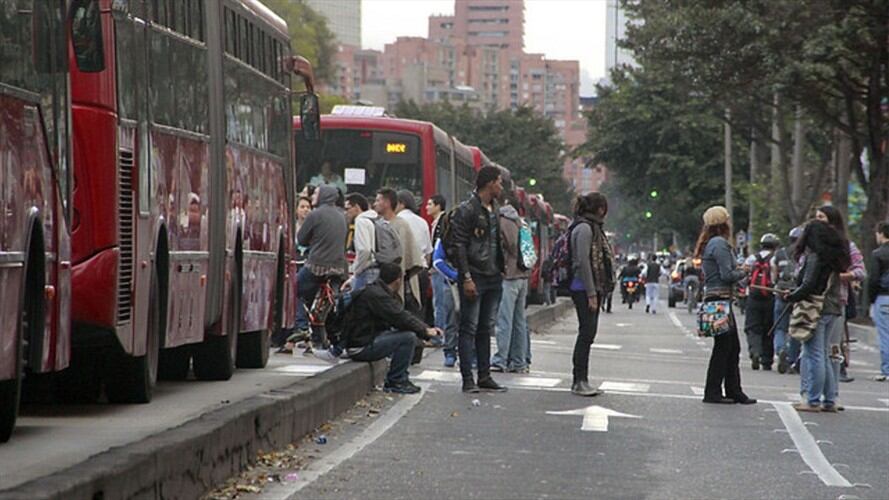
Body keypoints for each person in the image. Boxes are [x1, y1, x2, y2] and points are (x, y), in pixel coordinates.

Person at [446, 166, 507, 393]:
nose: (501, 187)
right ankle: (467, 379)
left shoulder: (495, 209)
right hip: (475, 275)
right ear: (489, 183)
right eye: (499, 182)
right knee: (468, 328)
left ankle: (484, 375)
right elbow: (459, 245)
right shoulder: (467, 209)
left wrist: (501, 269)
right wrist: (467, 277)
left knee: (485, 328)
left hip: (493, 276)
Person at [340, 263, 442, 394]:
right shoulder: (378, 295)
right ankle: (396, 380)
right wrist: (425, 331)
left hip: (364, 340)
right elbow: (400, 317)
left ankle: (399, 377)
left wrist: (424, 329)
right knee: (407, 338)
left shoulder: (377, 291)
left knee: (403, 334)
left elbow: (400, 316)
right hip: (361, 346)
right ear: (398, 280)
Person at [783, 220, 849, 413]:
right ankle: (829, 399)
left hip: (815, 309)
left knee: (814, 354)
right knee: (826, 355)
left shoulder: (815, 257)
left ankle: (812, 400)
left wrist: (792, 296)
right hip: (832, 309)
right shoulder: (835, 257)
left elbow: (809, 284)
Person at [696, 206, 756, 405]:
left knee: (731, 348)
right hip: (719, 300)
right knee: (724, 348)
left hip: (718, 299)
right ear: (723, 223)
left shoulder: (712, 243)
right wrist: (744, 270)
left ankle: (732, 390)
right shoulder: (719, 244)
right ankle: (714, 392)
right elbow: (727, 275)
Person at [566, 193, 615, 396]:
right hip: (583, 287)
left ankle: (582, 379)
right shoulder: (585, 229)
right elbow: (583, 262)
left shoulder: (590, 227)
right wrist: (591, 293)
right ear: (600, 209)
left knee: (588, 334)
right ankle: (579, 380)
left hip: (589, 287)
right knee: (586, 333)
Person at [815, 205, 867, 384]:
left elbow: (861, 271)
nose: (817, 221)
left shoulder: (846, 245)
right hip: (813, 301)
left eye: (821, 217)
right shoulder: (813, 244)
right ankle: (815, 395)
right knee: (815, 350)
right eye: (816, 217)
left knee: (832, 348)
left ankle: (831, 394)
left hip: (837, 300)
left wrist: (843, 275)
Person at [295, 185, 348, 349]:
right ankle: (324, 337)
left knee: (295, 291)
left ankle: (302, 328)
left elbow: (301, 239)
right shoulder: (342, 216)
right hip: (338, 268)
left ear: (324, 196)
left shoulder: (315, 215)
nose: (312, 197)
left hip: (317, 265)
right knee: (328, 303)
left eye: (316, 194)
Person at [491, 196, 531, 373]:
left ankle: (500, 360)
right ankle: (519, 361)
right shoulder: (522, 223)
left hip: (510, 276)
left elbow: (509, 246)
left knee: (504, 320)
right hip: (524, 276)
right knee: (519, 321)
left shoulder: (504, 221)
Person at [375, 188, 423, 312]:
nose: (375, 204)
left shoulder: (401, 225)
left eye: (378, 200)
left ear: (387, 203)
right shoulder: (377, 224)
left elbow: (407, 258)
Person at [428, 194, 459, 367]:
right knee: (451, 318)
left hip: (469, 283)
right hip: (452, 283)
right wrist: (455, 276)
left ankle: (471, 356)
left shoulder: (473, 239)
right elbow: (438, 261)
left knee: (470, 322)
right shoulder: (445, 239)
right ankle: (450, 352)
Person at [743, 233, 780, 370]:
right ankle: (767, 360)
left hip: (753, 296)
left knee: (752, 327)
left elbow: (744, 275)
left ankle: (755, 351)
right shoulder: (776, 258)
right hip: (771, 297)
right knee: (769, 329)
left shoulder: (752, 258)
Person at [397, 190, 434, 326]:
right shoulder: (422, 222)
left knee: (404, 311)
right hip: (422, 270)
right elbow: (428, 251)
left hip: (406, 273)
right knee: (419, 311)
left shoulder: (398, 221)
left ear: (401, 203)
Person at [772, 227, 802, 374]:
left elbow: (774, 274)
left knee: (780, 327)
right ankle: (791, 357)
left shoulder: (780, 253)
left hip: (780, 292)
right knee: (796, 329)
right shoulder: (806, 254)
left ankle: (780, 349)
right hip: (798, 294)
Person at [343, 193, 381, 292]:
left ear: (356, 207)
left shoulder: (360, 221)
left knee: (358, 303)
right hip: (378, 268)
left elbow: (364, 250)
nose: (345, 212)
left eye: (348, 208)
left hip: (366, 271)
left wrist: (356, 271)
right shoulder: (375, 218)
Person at [868, 221, 889, 382]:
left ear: (881, 234)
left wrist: (871, 299)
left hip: (883, 297)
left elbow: (873, 279)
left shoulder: (878, 254)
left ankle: (887, 370)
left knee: (885, 335)